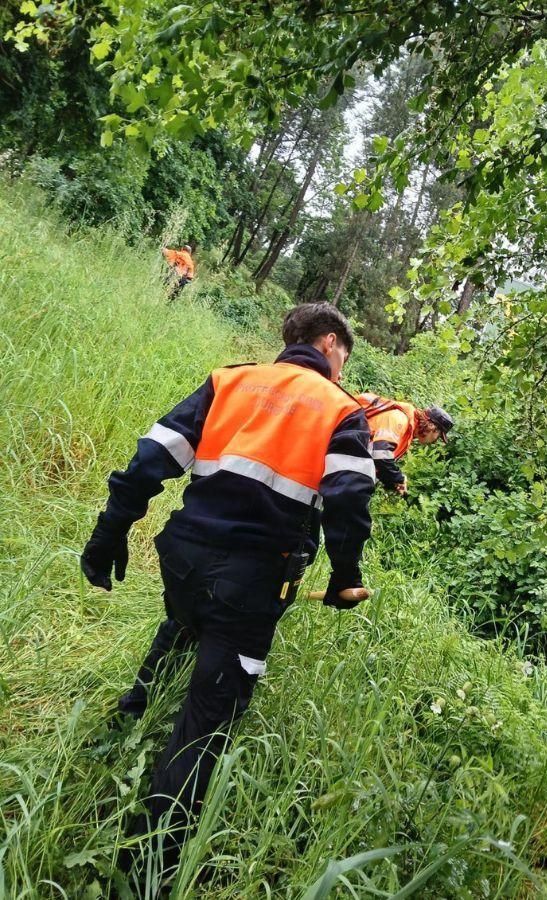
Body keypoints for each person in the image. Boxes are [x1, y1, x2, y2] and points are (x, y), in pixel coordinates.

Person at [80, 302, 376, 877]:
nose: (342, 366)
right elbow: (347, 502)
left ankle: (127, 715)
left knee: (187, 618)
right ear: (331, 344)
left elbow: (151, 460)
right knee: (206, 723)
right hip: (252, 583)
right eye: (344, 355)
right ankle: (145, 873)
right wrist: (345, 579)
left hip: (182, 561)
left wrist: (108, 533)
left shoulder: (230, 381)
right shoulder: (342, 409)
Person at [355, 392, 454, 495]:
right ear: (433, 428)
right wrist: (398, 478)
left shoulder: (408, 432)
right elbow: (380, 455)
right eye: (439, 436)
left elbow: (378, 464)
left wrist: (392, 482)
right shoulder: (399, 419)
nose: (435, 441)